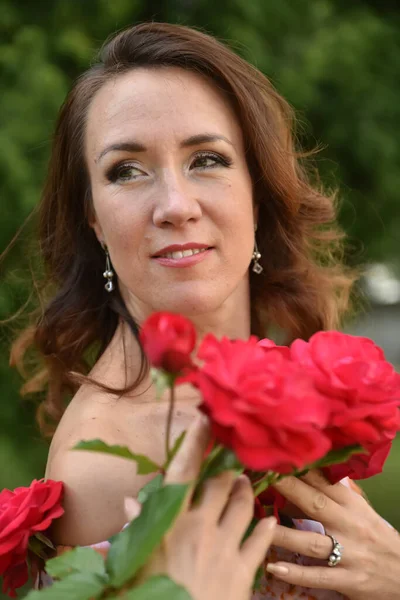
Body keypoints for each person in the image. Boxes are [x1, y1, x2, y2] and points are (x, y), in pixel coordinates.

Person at [8, 22, 400, 599]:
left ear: (258, 193)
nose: (174, 205)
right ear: (94, 221)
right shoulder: (114, 457)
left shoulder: (274, 379)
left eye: (207, 159)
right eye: (127, 170)